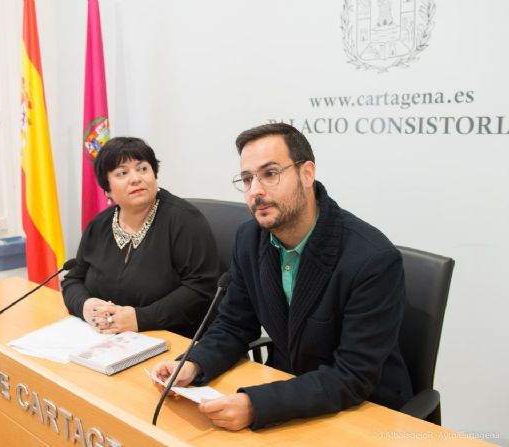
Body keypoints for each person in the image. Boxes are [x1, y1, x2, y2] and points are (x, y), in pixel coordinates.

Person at [151, 123, 413, 430]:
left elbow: (353, 375)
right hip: (290, 391)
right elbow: (235, 323)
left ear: (306, 174)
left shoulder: (372, 258)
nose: (256, 191)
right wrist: (195, 363)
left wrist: (255, 405)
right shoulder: (249, 238)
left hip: (366, 411)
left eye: (270, 174)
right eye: (247, 179)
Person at [62, 137, 219, 339]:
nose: (136, 178)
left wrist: (139, 318)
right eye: (122, 173)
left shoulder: (185, 220)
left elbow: (200, 290)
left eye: (143, 168)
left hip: (173, 340)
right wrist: (86, 306)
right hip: (107, 339)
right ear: (107, 189)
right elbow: (74, 278)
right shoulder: (99, 226)